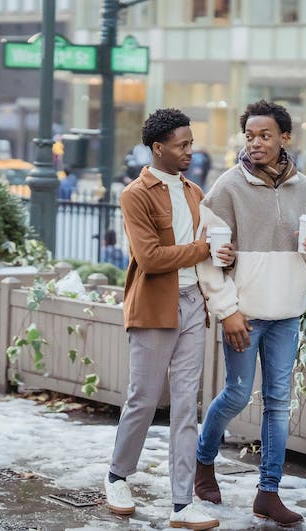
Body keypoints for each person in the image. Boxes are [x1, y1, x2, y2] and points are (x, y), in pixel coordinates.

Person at [192, 100, 306, 527]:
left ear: (285, 138)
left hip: (288, 311)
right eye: (249, 136)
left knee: (277, 403)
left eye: (265, 135)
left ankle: (268, 492)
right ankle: (203, 463)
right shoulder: (227, 188)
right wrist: (228, 310)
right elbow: (207, 259)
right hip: (244, 313)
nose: (256, 143)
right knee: (235, 393)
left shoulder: (303, 187)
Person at [105, 108, 231, 531]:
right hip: (155, 306)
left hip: (194, 303)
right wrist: (202, 250)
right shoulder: (135, 195)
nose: (190, 152)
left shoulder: (196, 192)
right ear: (158, 148)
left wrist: (221, 255)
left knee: (185, 406)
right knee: (143, 398)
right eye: (182, 145)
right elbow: (150, 259)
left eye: (191, 144)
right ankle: (117, 476)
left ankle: (182, 504)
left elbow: (208, 250)